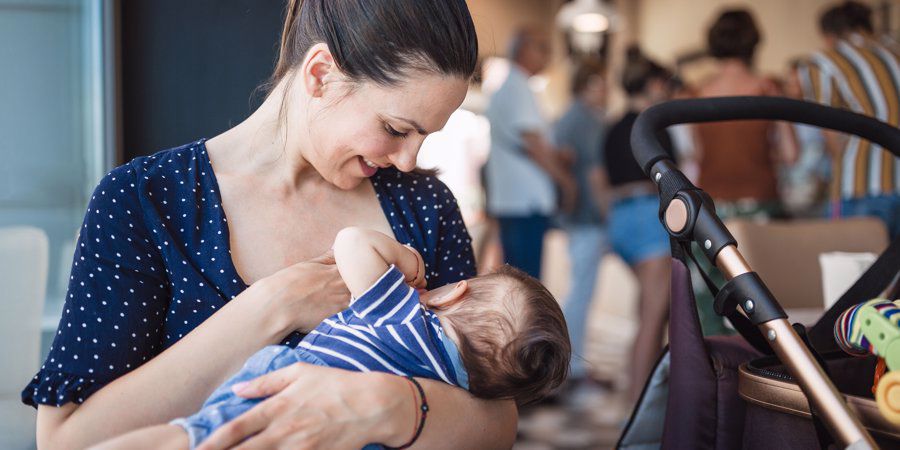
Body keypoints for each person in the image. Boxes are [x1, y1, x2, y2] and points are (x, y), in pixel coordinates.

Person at [23, 1, 519, 449]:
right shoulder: (144, 201)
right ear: (321, 74)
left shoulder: (425, 207)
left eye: (424, 136)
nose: (409, 161)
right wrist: (276, 304)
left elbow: (496, 421)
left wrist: (395, 406)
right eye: (395, 129)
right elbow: (68, 440)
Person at [93, 227, 570, 449]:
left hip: (276, 393)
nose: (409, 157)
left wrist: (409, 263)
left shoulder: (403, 314)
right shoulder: (458, 383)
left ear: (452, 294)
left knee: (182, 439)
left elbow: (351, 243)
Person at [601, 46, 674, 403]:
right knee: (652, 316)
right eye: (664, 82)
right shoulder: (654, 126)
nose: (667, 90)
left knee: (649, 310)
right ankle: (638, 404)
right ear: (650, 84)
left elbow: (601, 181)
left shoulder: (613, 127)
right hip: (649, 217)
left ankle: (639, 393)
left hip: (620, 219)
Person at [796, 1, 900, 237]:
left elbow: (830, 131)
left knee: (854, 268)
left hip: (860, 186)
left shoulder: (825, 61)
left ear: (829, 34)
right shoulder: (895, 51)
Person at [484, 26, 577, 279]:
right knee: (525, 284)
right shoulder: (517, 87)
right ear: (523, 49)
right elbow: (534, 145)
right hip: (524, 203)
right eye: (542, 48)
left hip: (516, 201)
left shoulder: (514, 86)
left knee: (519, 280)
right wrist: (565, 182)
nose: (547, 55)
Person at [694, 9, 799, 220]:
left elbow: (696, 154)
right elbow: (791, 154)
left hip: (712, 207)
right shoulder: (768, 88)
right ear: (753, 42)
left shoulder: (698, 93)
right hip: (762, 202)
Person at [552, 60, 609, 386]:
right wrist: (607, 212)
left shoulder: (567, 117)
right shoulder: (586, 120)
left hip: (574, 216)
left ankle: (572, 363)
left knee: (578, 289)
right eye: (599, 85)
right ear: (586, 86)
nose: (604, 92)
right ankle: (572, 365)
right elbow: (593, 172)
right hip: (587, 215)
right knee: (581, 292)